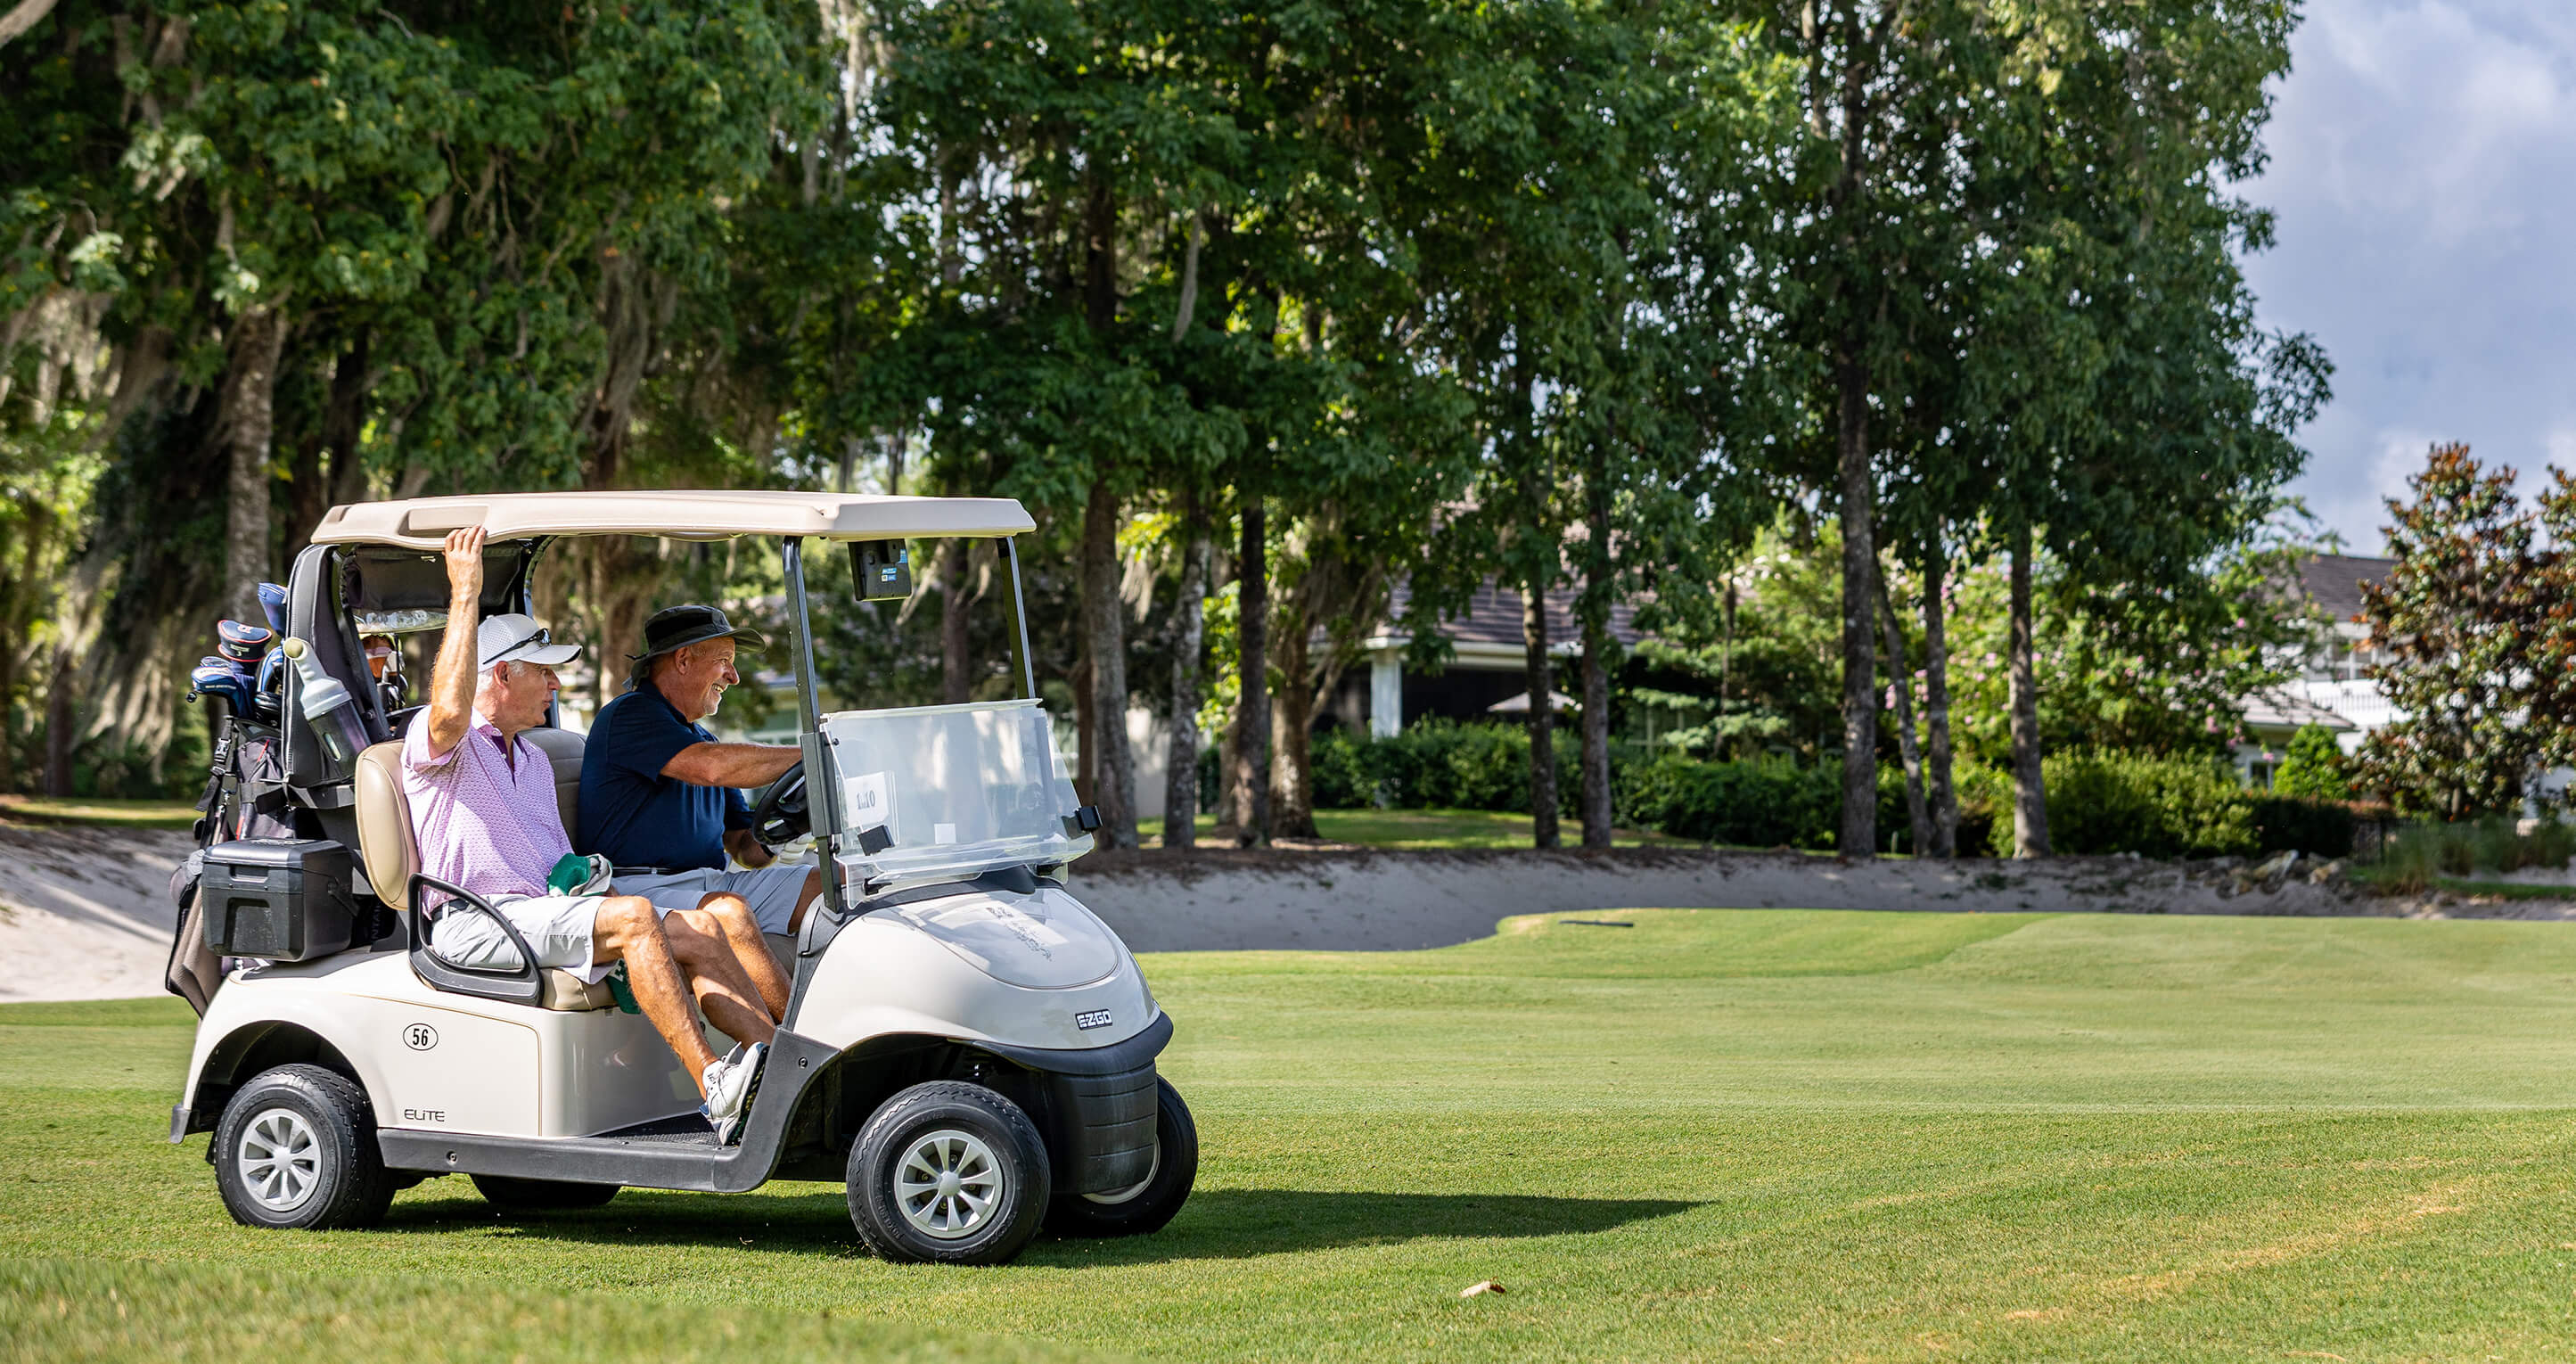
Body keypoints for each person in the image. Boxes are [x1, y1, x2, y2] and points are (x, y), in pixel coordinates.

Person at [405, 528, 774, 1140]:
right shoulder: (447, 745)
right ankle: (715, 1086)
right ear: (499, 675)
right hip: (476, 923)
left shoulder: (533, 760)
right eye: (544, 674)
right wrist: (465, 593)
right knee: (633, 917)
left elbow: (557, 865)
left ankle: (783, 1071)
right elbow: (448, 707)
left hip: (538, 914)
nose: (555, 687)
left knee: (706, 925)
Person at [577, 604, 818, 1024]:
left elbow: (746, 849)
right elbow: (712, 768)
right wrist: (818, 753)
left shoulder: (701, 736)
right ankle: (799, 1052)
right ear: (683, 659)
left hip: (711, 881)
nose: (734, 677)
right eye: (724, 662)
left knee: (832, 885)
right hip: (636, 889)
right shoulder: (630, 715)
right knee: (728, 911)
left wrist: (790, 832)